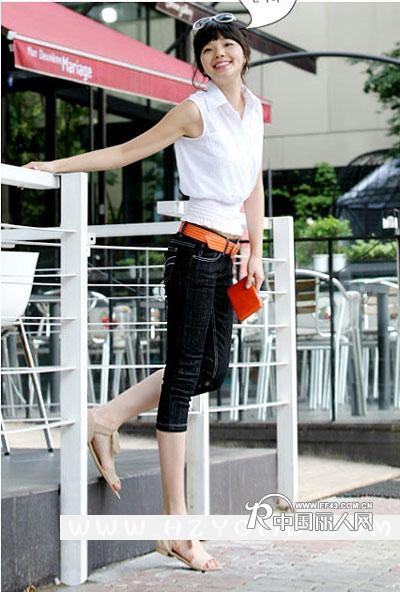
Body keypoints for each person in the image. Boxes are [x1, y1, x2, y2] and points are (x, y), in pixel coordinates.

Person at [25, 13, 265, 572]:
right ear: (200, 61)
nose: (219, 53)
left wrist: (255, 248)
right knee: (182, 381)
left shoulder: (253, 110)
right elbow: (124, 153)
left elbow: (253, 182)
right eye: (208, 48)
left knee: (210, 373)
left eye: (227, 44)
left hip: (228, 257)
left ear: (244, 53)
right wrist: (54, 165)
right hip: (195, 252)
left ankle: (105, 417)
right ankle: (175, 526)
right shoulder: (194, 110)